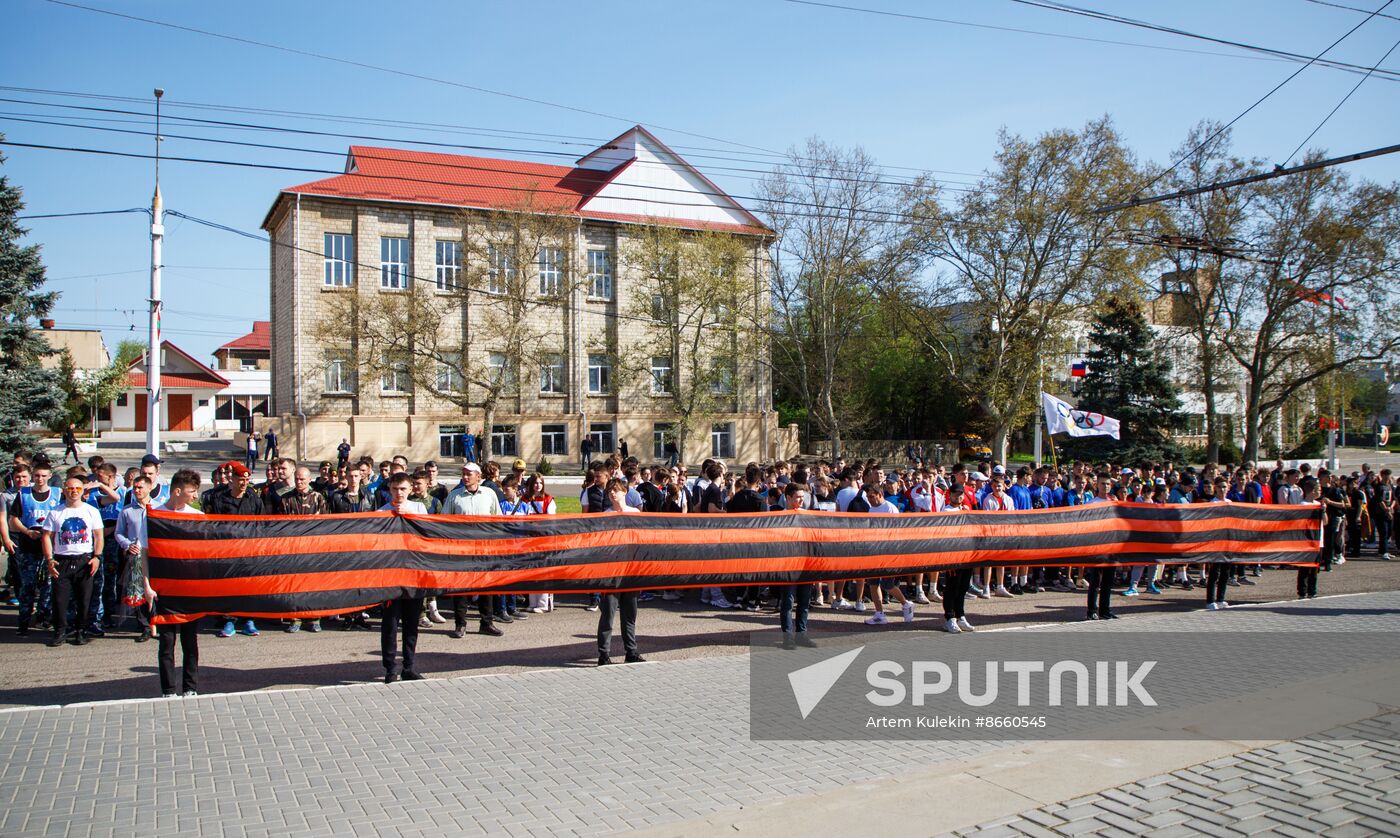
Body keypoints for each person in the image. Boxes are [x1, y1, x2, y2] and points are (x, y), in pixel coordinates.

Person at [151, 469, 205, 697]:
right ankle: (168, 689)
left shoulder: (197, 517)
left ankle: (190, 687)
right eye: (191, 492)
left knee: (190, 641)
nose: (195, 496)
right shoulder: (155, 515)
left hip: (190, 589)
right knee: (167, 641)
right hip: (164, 588)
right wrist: (147, 585)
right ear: (177, 491)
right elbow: (146, 552)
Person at [441, 463, 504, 638]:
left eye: (469, 474)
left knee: (486, 587)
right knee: (461, 588)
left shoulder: (489, 494)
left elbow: (497, 520)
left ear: (478, 476)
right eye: (464, 474)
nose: (466, 477)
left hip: (484, 549)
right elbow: (445, 522)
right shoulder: (455, 496)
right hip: (462, 550)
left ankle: (487, 622)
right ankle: (460, 623)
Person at [41, 475, 104, 646]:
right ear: (64, 491)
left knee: (84, 599)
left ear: (83, 491)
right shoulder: (56, 512)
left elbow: (98, 535)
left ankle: (81, 631)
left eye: (77, 488)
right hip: (62, 561)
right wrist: (49, 559)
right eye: (70, 488)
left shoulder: (91, 511)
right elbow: (46, 536)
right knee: (60, 600)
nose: (74, 491)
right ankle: (60, 631)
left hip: (85, 560)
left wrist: (97, 557)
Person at [205, 462, 263, 637]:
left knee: (248, 587)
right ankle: (229, 620)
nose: (244, 483)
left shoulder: (254, 499)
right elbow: (213, 525)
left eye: (247, 479)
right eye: (241, 479)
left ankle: (248, 620)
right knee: (229, 587)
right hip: (227, 552)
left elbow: (262, 523)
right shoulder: (220, 500)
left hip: (249, 552)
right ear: (233, 479)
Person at [379, 473, 427, 683]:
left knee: (411, 624)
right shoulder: (380, 512)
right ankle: (390, 668)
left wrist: (410, 516)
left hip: (415, 576)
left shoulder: (419, 509)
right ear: (390, 489)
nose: (399, 493)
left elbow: (427, 535)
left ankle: (409, 665)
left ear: (410, 490)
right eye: (395, 489)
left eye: (403, 489)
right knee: (390, 624)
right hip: (391, 577)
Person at [9, 458, 62, 636]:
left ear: (49, 476)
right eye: (37, 476)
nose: (40, 479)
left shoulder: (56, 494)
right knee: (28, 585)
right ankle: (23, 622)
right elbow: (13, 519)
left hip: (50, 546)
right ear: (33, 476)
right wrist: (26, 531)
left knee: (48, 583)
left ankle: (44, 618)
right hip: (29, 544)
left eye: (43, 476)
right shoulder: (24, 494)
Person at [597, 477, 644, 666]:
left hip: (631, 571)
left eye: (615, 490)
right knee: (608, 614)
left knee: (629, 614)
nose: (612, 493)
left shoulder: (635, 513)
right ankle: (603, 654)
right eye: (610, 491)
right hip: (612, 572)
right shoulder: (606, 515)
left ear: (625, 492)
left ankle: (631, 651)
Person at [114, 475, 155, 642]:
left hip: (156, 555)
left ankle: (157, 622)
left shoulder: (158, 508)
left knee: (155, 590)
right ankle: (144, 624)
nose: (137, 490)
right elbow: (118, 533)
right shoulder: (127, 511)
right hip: (137, 556)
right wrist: (127, 544)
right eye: (135, 487)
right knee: (138, 589)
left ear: (149, 488)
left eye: (140, 487)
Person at [776, 482, 817, 649]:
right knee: (788, 602)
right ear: (788, 498)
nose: (801, 500)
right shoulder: (781, 517)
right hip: (789, 565)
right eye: (797, 497)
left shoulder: (808, 515)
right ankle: (788, 637)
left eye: (803, 497)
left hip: (805, 564)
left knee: (804, 601)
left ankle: (801, 634)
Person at [1296, 477, 1324, 598]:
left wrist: (1323, 511)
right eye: (1318, 489)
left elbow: (1325, 522)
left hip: (1319, 540)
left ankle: (1312, 590)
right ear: (1312, 491)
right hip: (1307, 541)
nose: (1320, 492)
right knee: (1305, 567)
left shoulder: (1318, 504)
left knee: (1315, 568)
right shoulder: (1303, 505)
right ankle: (1302, 591)